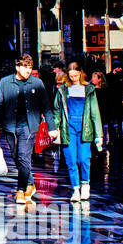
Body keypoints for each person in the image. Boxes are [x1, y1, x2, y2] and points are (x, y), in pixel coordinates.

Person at [0, 54, 52, 205]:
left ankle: (21, 189)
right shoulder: (5, 83)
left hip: (30, 126)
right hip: (10, 126)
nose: (28, 70)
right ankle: (30, 183)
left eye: (30, 67)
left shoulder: (37, 83)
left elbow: (46, 106)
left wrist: (52, 127)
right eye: (25, 67)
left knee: (24, 156)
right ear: (17, 67)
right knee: (16, 156)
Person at [52, 59, 103, 202]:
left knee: (84, 159)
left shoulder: (89, 90)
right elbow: (56, 110)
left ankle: (85, 184)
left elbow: (95, 113)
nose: (73, 78)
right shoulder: (62, 90)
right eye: (71, 75)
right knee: (71, 160)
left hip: (85, 128)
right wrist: (55, 127)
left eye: (76, 75)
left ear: (80, 73)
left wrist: (99, 134)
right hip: (68, 129)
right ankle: (75, 189)